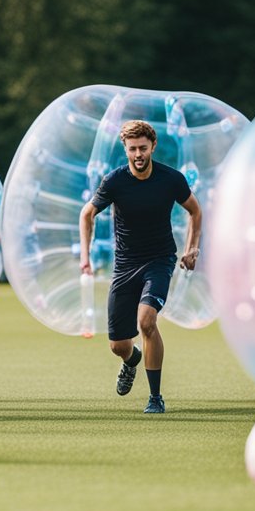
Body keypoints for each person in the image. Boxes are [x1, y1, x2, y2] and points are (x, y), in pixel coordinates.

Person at [79, 119, 201, 415]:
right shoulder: (115, 181)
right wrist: (86, 256)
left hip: (160, 260)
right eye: (132, 149)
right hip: (125, 266)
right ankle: (131, 360)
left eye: (143, 148)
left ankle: (155, 397)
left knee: (146, 321)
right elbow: (87, 214)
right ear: (125, 149)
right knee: (118, 345)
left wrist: (191, 248)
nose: (138, 154)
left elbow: (195, 211)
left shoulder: (171, 179)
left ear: (153, 147)